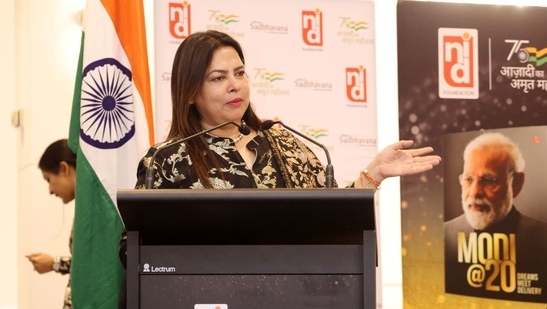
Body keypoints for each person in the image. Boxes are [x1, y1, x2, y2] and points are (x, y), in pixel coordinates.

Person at [118, 29, 441, 307]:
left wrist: (373, 174)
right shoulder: (169, 158)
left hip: (292, 296)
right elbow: (132, 250)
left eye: (240, 73)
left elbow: (329, 218)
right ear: (190, 92)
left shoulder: (284, 142)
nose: (235, 86)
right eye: (219, 78)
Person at [444, 132, 547, 302]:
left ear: (517, 183)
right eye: (468, 179)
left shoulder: (543, 239)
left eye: (489, 180)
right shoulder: (442, 235)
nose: (474, 192)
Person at [26, 139, 76, 309]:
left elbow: (92, 263)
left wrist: (54, 263)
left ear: (63, 168)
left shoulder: (94, 212)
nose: (50, 191)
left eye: (48, 179)